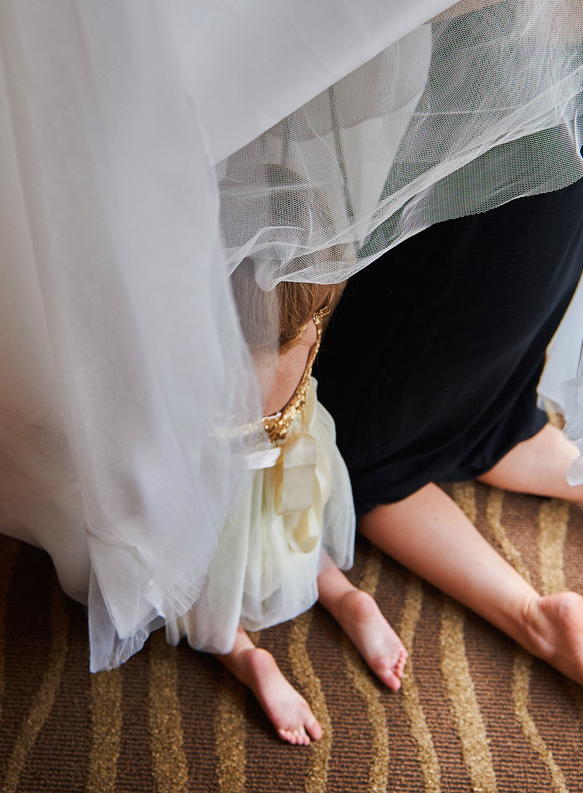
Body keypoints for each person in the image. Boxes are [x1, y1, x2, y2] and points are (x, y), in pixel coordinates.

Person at [317, 125, 583, 739]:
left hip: (471, 233)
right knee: (492, 404)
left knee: (354, 462)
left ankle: (535, 619)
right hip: (552, 227)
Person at [165, 265, 407, 745]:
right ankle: (344, 594)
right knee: (291, 531)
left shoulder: (201, 349)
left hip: (216, 494)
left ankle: (245, 654)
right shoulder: (310, 307)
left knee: (190, 576)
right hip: (294, 462)